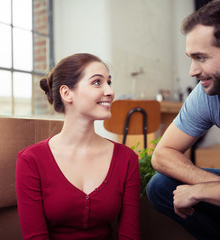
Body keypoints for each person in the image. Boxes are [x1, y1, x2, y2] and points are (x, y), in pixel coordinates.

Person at [146, 0, 220, 239]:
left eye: (201, 57)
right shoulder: (209, 93)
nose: (192, 71)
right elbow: (163, 154)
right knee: (161, 187)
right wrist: (219, 189)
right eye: (190, 57)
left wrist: (207, 192)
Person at [16, 53, 141, 240]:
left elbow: (130, 236)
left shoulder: (126, 159)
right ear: (67, 93)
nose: (110, 91)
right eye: (97, 82)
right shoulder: (31, 160)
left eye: (109, 82)